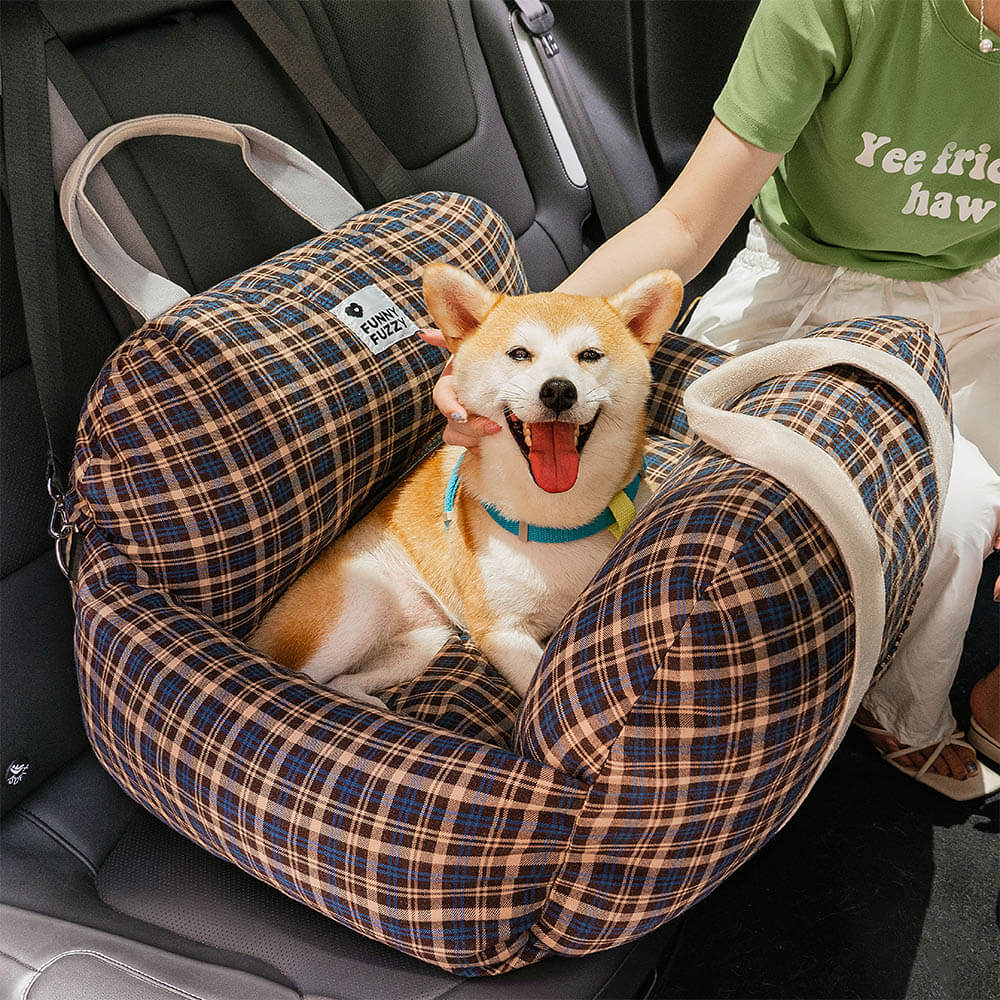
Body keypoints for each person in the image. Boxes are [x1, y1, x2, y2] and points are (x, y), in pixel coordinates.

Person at [422, 0, 1000, 800]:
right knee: (961, 508)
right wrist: (508, 344)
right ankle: (897, 709)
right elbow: (688, 225)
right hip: (815, 279)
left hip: (982, 288)